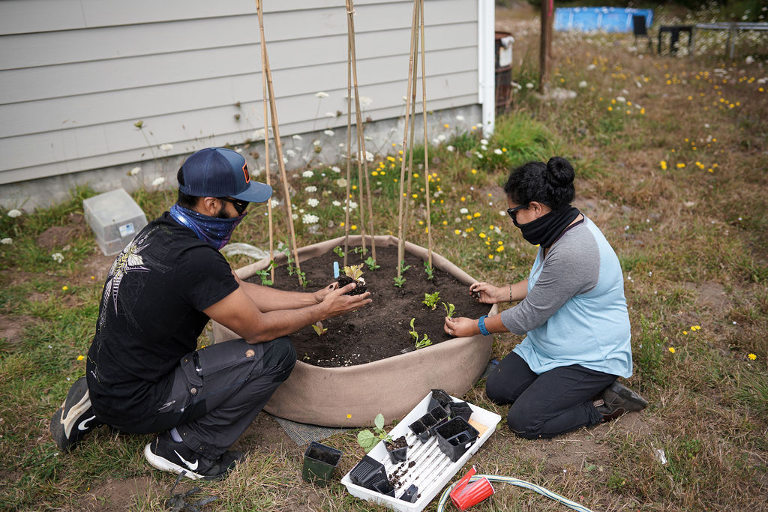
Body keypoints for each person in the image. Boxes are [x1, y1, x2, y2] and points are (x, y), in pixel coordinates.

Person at [50, 147, 371, 479]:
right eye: (241, 204)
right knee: (277, 353)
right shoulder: (195, 260)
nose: (243, 214)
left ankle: (97, 400)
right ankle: (185, 447)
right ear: (212, 204)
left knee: (135, 369)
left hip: (109, 373)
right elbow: (257, 329)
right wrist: (323, 311)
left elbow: (237, 289)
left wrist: (311, 298)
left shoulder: (162, 230)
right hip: (142, 399)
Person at [444, 157, 646, 439]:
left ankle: (604, 404)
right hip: (559, 341)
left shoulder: (574, 250)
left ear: (536, 208)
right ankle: (557, 385)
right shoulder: (560, 227)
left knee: (525, 421)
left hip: (590, 355)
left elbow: (529, 317)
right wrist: (503, 293)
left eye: (514, 212)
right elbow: (546, 281)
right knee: (499, 389)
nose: (514, 219)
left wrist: (476, 326)